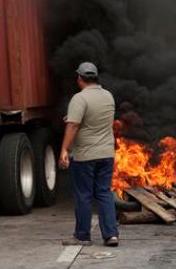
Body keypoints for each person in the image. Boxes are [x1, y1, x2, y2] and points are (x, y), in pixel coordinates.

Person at [59, 62, 119, 247]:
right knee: (104, 193)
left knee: (84, 195)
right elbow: (98, 120)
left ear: (80, 78)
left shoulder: (80, 98)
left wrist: (64, 150)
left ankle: (82, 236)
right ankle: (111, 235)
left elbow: (74, 125)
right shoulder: (108, 96)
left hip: (85, 156)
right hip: (107, 154)